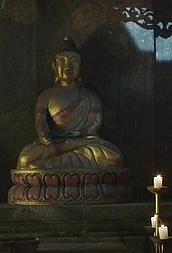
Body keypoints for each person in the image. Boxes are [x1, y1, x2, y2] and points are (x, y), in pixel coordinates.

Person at [17, 35, 124, 170]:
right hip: (56, 143)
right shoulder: (47, 95)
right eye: (62, 61)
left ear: (81, 67)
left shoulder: (90, 96)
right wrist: (46, 138)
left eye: (74, 61)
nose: (68, 66)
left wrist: (78, 136)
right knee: (25, 158)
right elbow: (40, 121)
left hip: (83, 142)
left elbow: (95, 123)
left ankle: (50, 164)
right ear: (54, 66)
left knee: (114, 157)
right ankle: (60, 161)